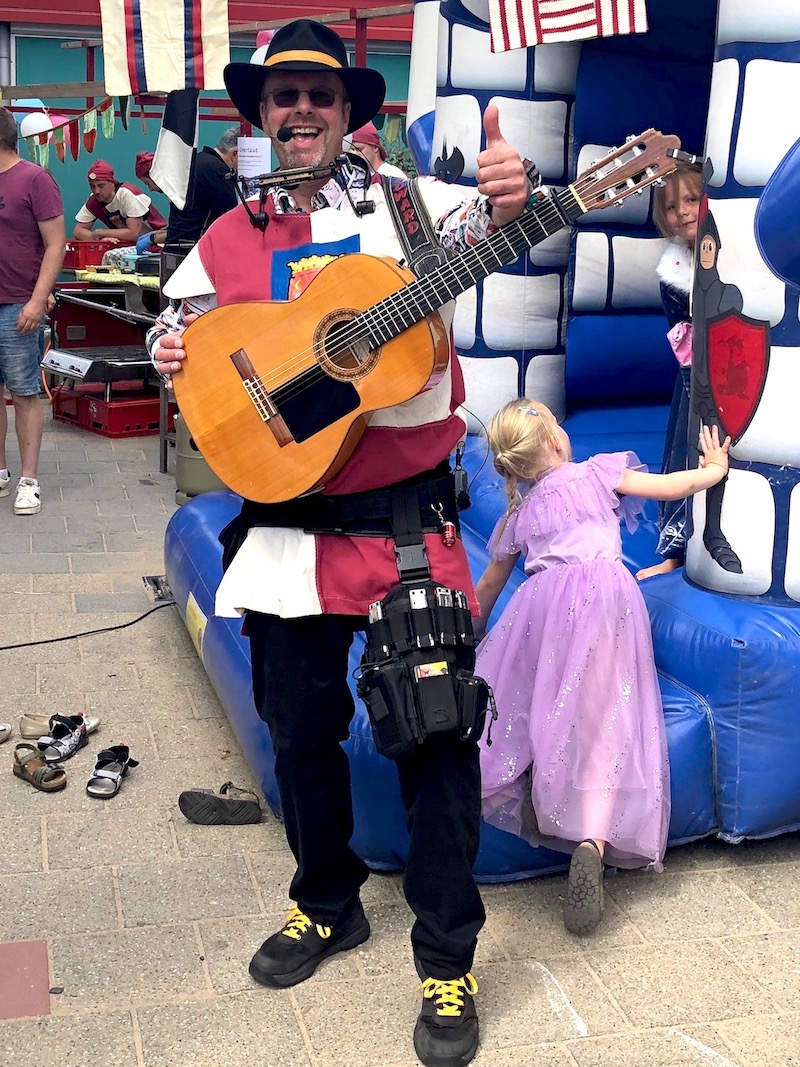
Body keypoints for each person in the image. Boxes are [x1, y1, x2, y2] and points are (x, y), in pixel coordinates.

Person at [148, 18, 531, 1067]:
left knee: (437, 732)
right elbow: (172, 332)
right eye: (283, 97)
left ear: (350, 108)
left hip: (407, 527)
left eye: (320, 93)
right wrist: (167, 346)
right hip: (282, 525)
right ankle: (326, 899)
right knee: (296, 730)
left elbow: (502, 217)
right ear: (261, 115)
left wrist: (515, 188)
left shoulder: (411, 208)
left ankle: (446, 955)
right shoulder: (228, 233)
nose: (302, 111)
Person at [474, 399, 732, 935]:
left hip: (541, 607)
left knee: (536, 702)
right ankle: (592, 838)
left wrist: (470, 637)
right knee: (606, 717)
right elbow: (671, 487)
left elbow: (491, 587)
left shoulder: (517, 514)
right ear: (553, 441)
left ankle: (524, 782)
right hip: (604, 602)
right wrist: (713, 470)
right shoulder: (598, 472)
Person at [637, 162, 702, 580]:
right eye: (673, 206)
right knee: (682, 452)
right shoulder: (675, 273)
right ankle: (674, 548)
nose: (684, 213)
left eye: (692, 199)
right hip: (697, 375)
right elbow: (682, 337)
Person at [0, 106, 65, 516]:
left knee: (24, 393)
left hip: (18, 304)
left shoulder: (34, 179)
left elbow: (56, 244)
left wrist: (38, 300)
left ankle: (29, 479)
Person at [162, 126, 239, 254]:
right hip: (193, 251)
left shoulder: (197, 161)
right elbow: (231, 217)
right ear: (235, 154)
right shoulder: (218, 172)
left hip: (175, 245)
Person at [73, 159, 167, 246]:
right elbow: (78, 231)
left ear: (112, 183)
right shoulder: (94, 200)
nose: (96, 191)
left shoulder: (127, 194)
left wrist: (100, 233)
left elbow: (133, 234)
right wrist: (99, 239)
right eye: (92, 186)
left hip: (157, 243)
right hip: (128, 245)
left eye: (101, 185)